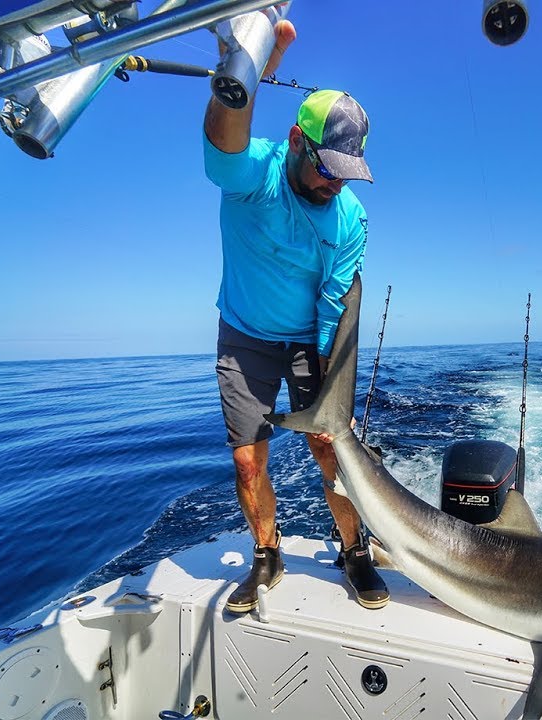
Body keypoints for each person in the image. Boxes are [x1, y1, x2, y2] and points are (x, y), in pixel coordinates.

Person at [201, 18, 388, 613]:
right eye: (326, 166)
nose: (335, 181)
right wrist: (244, 76)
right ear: (297, 141)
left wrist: (330, 392)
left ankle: (354, 549)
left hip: (311, 340)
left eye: (346, 171)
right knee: (246, 457)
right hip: (245, 338)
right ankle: (267, 553)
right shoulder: (254, 174)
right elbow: (222, 144)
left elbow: (334, 302)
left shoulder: (351, 219)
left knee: (333, 447)